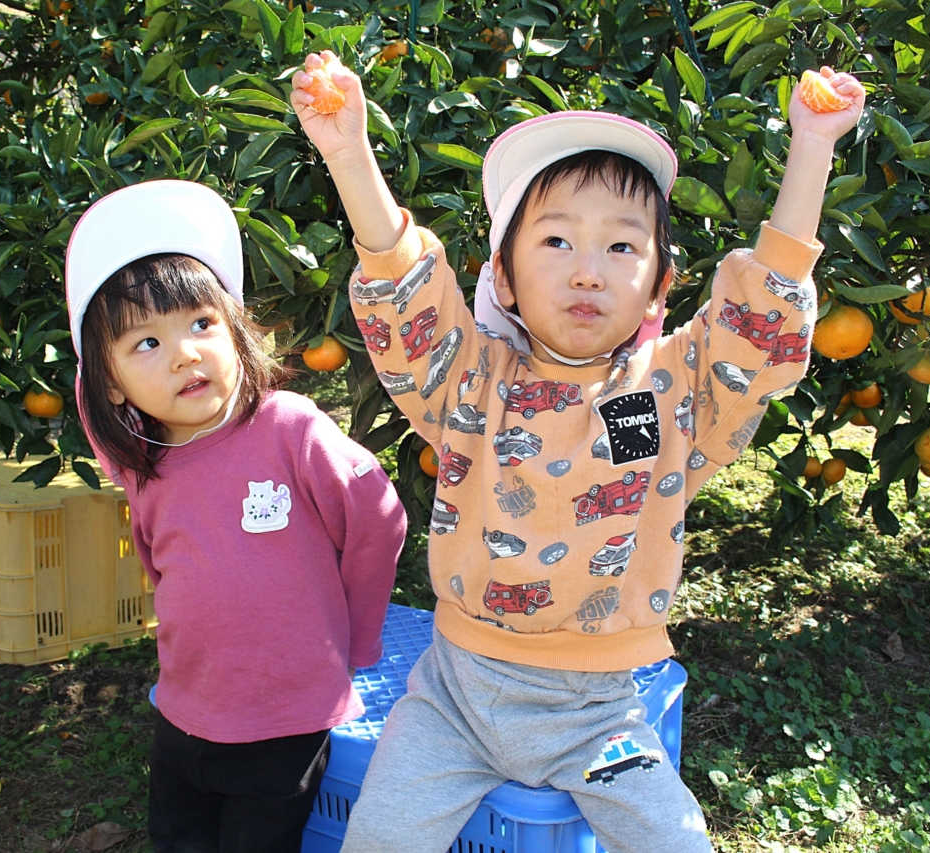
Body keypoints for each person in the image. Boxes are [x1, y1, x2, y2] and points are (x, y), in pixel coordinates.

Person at [292, 53, 863, 852]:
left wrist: (813, 146)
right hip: (452, 700)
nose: (588, 269)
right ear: (505, 278)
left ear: (661, 287)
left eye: (623, 248)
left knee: (679, 841)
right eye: (556, 238)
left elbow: (757, 323)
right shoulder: (470, 384)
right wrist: (349, 154)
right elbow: (406, 291)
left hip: (598, 714)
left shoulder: (666, 396)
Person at [64, 179, 408, 853]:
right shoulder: (144, 459)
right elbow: (89, 395)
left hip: (284, 720)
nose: (186, 353)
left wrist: (357, 639)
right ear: (110, 382)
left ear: (236, 327)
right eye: (145, 344)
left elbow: (379, 520)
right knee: (178, 838)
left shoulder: (289, 429)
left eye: (200, 323)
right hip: (185, 711)